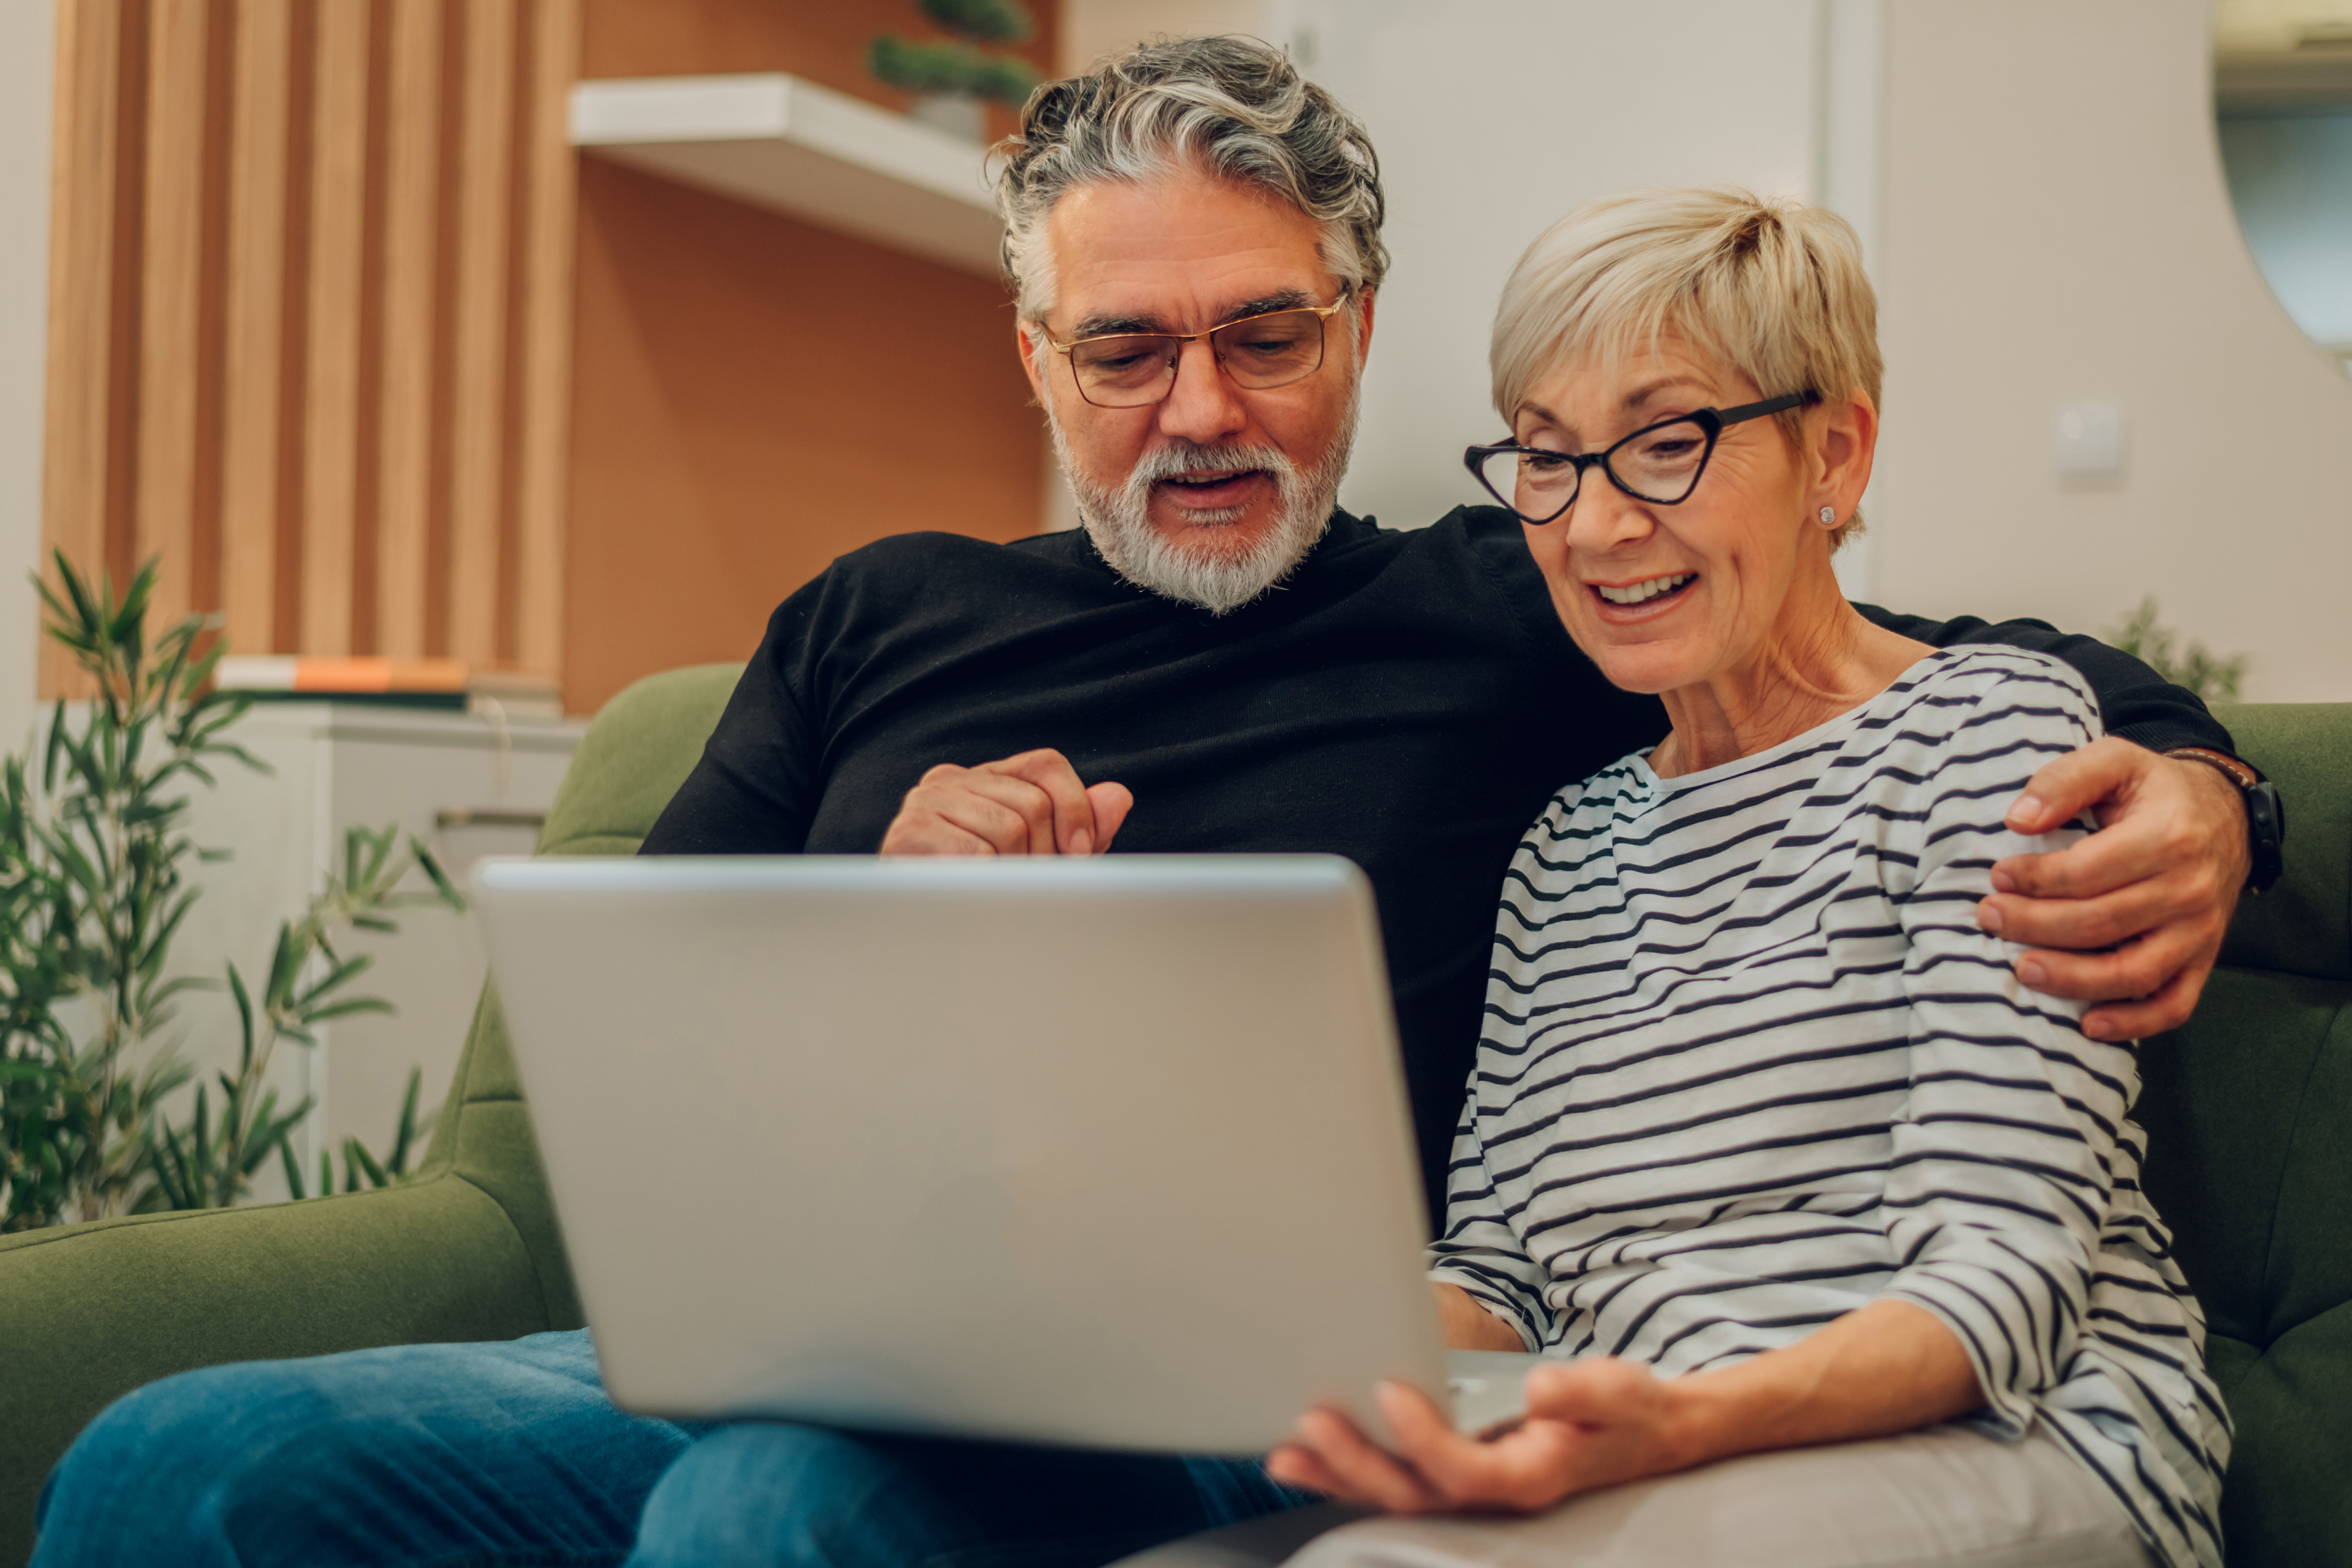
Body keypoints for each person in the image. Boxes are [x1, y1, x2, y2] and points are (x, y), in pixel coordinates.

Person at [30, 37, 2254, 1568]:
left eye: (1265, 337)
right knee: (189, 1455)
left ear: (1361, 331)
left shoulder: (1530, 603)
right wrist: (876, 921)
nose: (1202, 409)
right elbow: (648, 1076)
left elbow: (1922, 665)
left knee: (783, 1513)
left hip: (1201, 1355)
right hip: (779, 1317)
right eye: (1126, 351)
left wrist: (2201, 791)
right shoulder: (861, 624)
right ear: (1034, 356)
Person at [1259, 188, 2224, 1568]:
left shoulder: (1993, 736)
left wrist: (1680, 1423)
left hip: (2020, 1446)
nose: (1593, 528)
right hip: (1660, 1464)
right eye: (1547, 457)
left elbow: (2002, 1281)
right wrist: (1268, 1342)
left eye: (1665, 445)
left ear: (1834, 453)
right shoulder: (1561, 849)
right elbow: (1501, 1278)